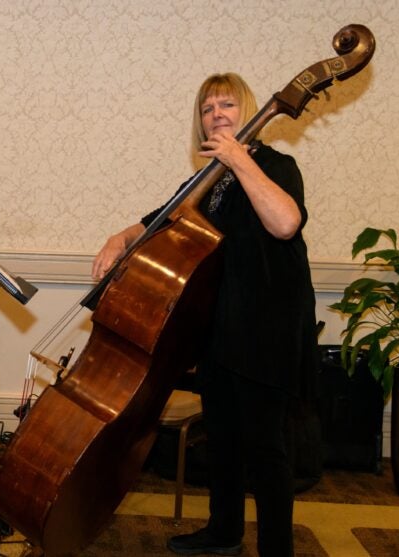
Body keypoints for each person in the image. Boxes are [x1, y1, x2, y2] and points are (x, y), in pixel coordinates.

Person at [92, 73, 318, 556]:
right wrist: (118, 238)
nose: (217, 114)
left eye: (227, 106)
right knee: (224, 439)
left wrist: (240, 159)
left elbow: (284, 223)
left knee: (266, 447)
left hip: (267, 327)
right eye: (208, 108)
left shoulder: (278, 165)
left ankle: (277, 548)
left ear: (250, 111)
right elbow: (158, 221)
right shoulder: (204, 182)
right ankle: (224, 531)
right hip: (219, 327)